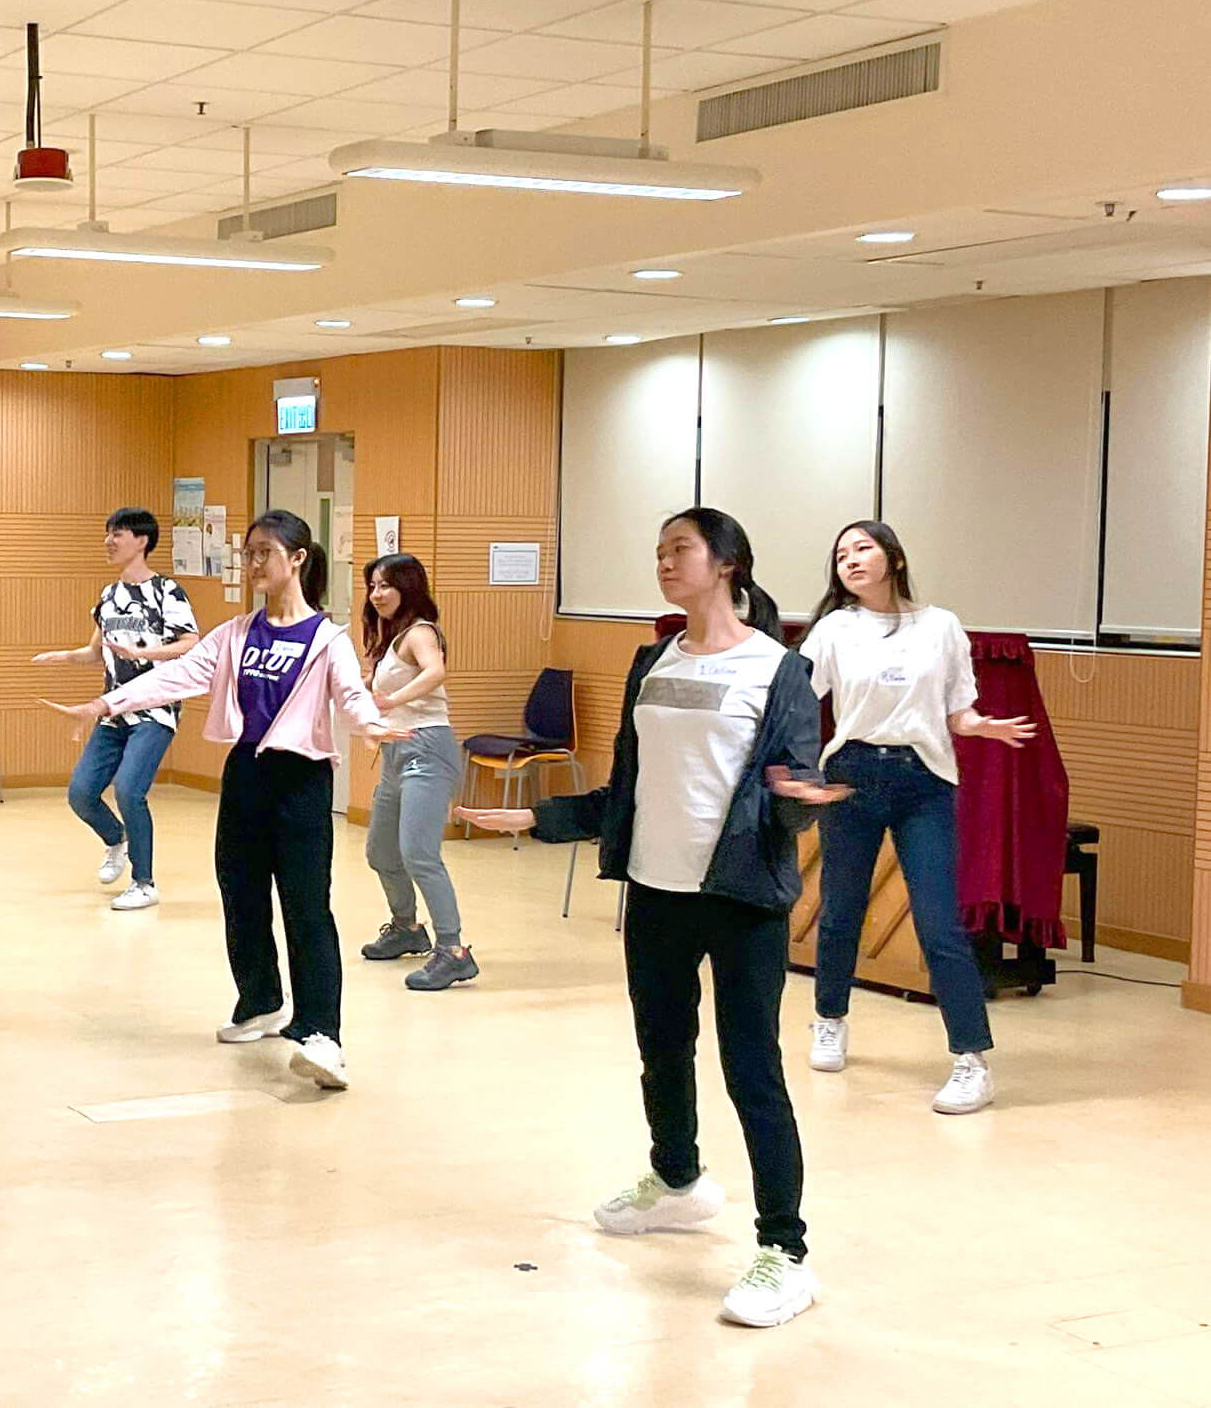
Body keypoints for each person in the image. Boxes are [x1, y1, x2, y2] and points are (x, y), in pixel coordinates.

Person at [459, 507, 842, 1329]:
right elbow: (626, 791)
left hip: (740, 898)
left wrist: (800, 799)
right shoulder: (653, 661)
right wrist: (537, 817)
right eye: (659, 550)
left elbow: (793, 788)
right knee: (661, 1051)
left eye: (681, 549)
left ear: (728, 564)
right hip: (656, 891)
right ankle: (677, 1180)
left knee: (751, 1071)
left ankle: (785, 1251)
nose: (665, 562)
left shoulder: (779, 670)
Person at [41, 510, 408, 1092]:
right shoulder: (237, 633)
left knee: (307, 907)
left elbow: (350, 695)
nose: (254, 563)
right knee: (240, 894)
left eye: (265, 553)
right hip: (246, 774)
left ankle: (322, 1035)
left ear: (298, 559)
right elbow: (178, 675)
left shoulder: (326, 638)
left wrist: (371, 726)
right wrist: (105, 705)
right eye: (249, 553)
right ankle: (260, 1001)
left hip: (302, 781)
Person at [798, 520, 1035, 1115]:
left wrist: (980, 726)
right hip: (851, 773)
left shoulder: (941, 626)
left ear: (894, 558)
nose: (851, 560)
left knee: (939, 924)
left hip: (923, 780)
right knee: (841, 910)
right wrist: (796, 770)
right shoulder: (834, 629)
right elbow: (798, 701)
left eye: (863, 549)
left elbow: (958, 711)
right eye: (842, 555)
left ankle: (971, 1059)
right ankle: (829, 1018)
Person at [32, 508, 199, 910]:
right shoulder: (109, 596)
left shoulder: (167, 591)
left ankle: (144, 882)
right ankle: (116, 839)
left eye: (118, 534)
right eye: (107, 534)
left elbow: (191, 643)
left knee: (129, 789)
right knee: (81, 793)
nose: (109, 541)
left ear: (141, 541)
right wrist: (63, 657)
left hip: (156, 709)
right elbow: (97, 651)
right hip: (112, 709)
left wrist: (145, 653)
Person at [356, 553, 474, 991]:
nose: (377, 594)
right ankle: (406, 928)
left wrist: (391, 700)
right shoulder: (391, 639)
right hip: (396, 754)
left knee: (419, 854)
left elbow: (436, 672)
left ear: (408, 587)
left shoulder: (420, 632)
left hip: (427, 748)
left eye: (386, 584)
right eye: (372, 585)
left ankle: (453, 951)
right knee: (381, 852)